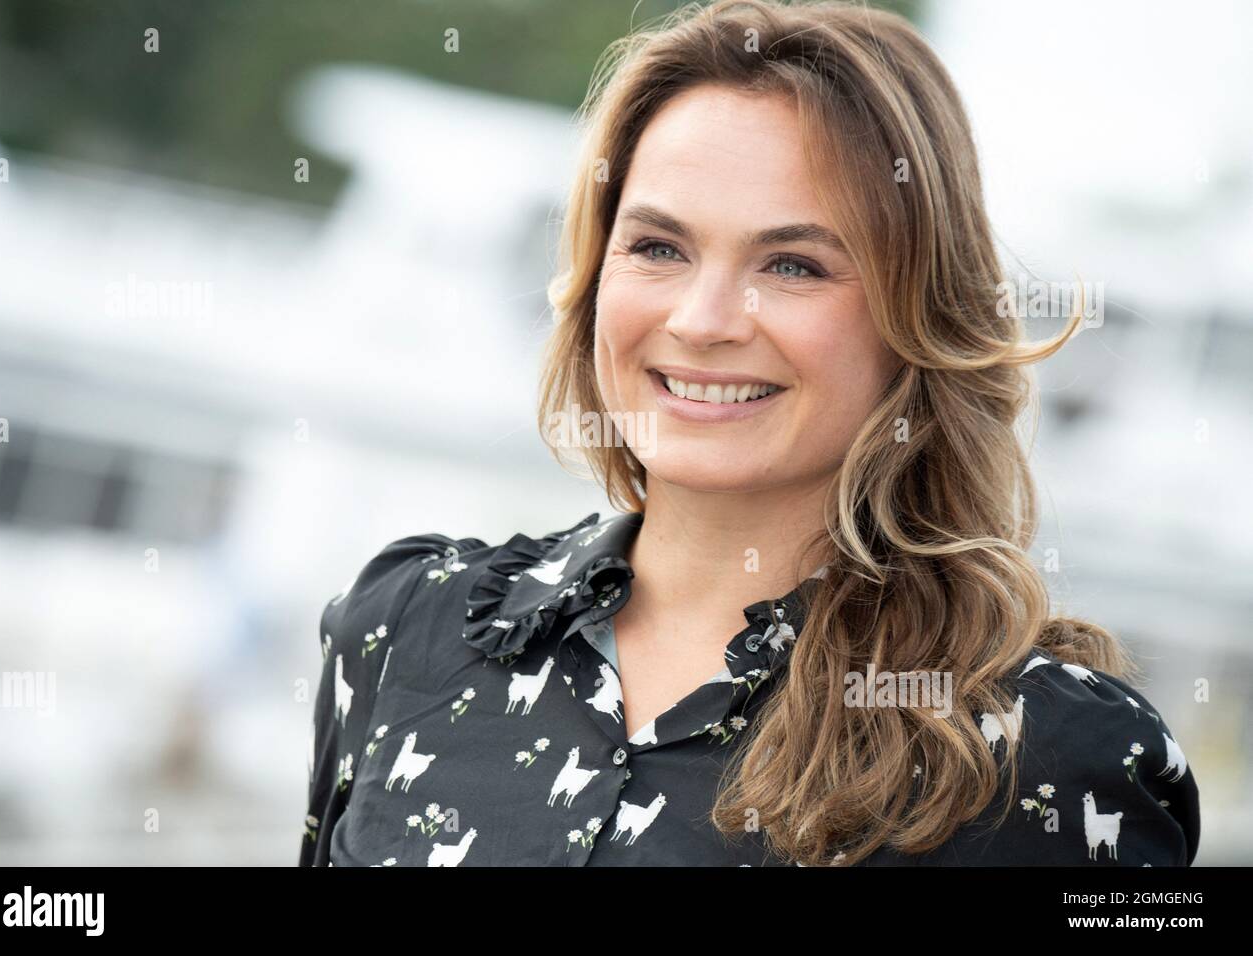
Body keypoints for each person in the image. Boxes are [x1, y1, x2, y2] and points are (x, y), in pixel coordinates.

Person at [299, 0, 1199, 867]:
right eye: (658, 247)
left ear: (915, 323)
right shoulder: (408, 624)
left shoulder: (1045, 763)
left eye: (793, 264)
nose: (703, 318)